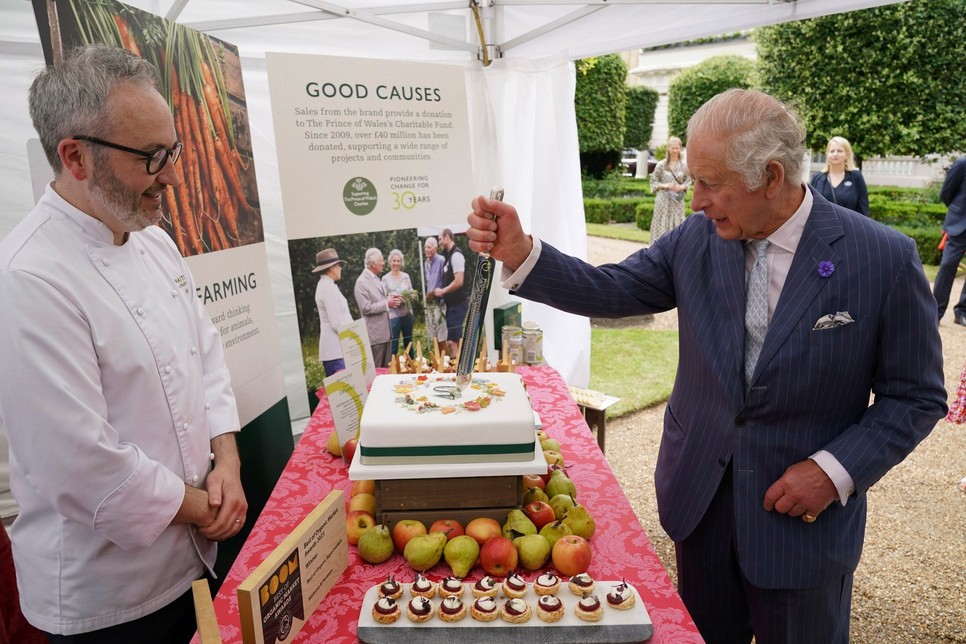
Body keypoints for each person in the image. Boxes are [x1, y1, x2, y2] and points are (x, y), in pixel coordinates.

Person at [466, 88, 946, 644]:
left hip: (802, 531)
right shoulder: (698, 237)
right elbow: (615, 287)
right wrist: (522, 250)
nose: (694, 201)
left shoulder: (882, 258)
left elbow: (915, 396)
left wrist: (834, 471)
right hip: (701, 508)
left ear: (770, 177)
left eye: (710, 183)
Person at [0, 45, 247, 642]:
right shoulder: (30, 277)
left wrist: (230, 460)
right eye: (153, 157)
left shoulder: (151, 239)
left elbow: (204, 352)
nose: (172, 174)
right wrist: (205, 507)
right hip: (107, 597)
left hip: (191, 553)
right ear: (75, 157)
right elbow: (78, 463)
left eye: (174, 150)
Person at [931, 156, 966, 325]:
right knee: (947, 266)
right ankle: (934, 312)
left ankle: (962, 312)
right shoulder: (961, 163)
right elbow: (946, 193)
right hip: (959, 225)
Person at [354, 247, 401, 368]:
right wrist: (387, 303)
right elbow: (366, 308)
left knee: (386, 371)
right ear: (373, 263)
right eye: (381, 260)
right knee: (377, 372)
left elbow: (378, 299)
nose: (383, 263)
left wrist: (390, 298)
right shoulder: (361, 282)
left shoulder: (375, 278)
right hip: (375, 337)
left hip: (385, 334)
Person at [313, 248, 352, 377]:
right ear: (331, 268)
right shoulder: (327, 287)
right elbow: (336, 323)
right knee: (342, 393)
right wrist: (354, 335)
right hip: (335, 351)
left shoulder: (327, 285)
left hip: (339, 349)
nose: (340, 269)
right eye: (339, 266)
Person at [809, 136, 869, 216]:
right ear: (827, 154)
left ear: (847, 154)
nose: (835, 154)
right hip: (823, 227)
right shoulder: (816, 178)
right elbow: (810, 208)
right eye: (832, 151)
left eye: (840, 151)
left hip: (849, 227)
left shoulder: (856, 177)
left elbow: (863, 209)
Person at [649, 136, 692, 241]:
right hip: (663, 200)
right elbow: (653, 182)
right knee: (661, 222)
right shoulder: (661, 165)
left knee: (677, 223)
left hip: (677, 201)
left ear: (680, 149)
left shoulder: (684, 165)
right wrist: (666, 185)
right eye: (672, 148)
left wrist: (682, 186)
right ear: (668, 149)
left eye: (677, 148)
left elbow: (689, 180)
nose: (675, 150)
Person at [433, 228, 467, 358]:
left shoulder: (456, 255)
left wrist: (443, 291)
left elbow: (459, 281)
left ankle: (457, 373)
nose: (439, 242)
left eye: (440, 239)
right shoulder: (449, 256)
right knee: (455, 340)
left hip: (458, 305)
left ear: (447, 237)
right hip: (452, 306)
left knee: (453, 341)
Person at [382, 249, 416, 358]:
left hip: (406, 314)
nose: (396, 263)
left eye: (398, 261)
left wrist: (404, 299)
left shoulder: (406, 277)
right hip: (393, 316)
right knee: (394, 345)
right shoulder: (385, 279)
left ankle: (412, 367)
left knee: (409, 342)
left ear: (401, 262)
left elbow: (413, 294)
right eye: (394, 261)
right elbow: (382, 296)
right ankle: (393, 368)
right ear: (390, 262)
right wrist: (391, 300)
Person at [422, 237, 448, 350]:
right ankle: (438, 362)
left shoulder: (442, 260)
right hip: (430, 304)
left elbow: (445, 280)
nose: (427, 249)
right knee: (434, 336)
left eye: (429, 247)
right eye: (425, 247)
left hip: (440, 303)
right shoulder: (426, 263)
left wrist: (441, 294)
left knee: (442, 335)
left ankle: (444, 362)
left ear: (436, 248)